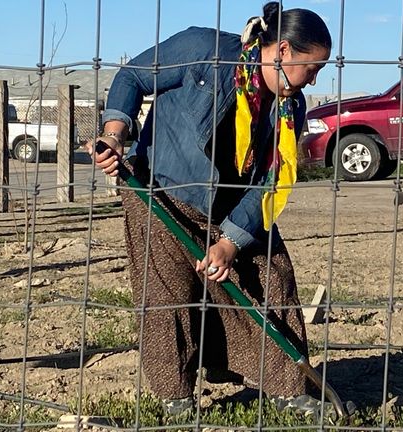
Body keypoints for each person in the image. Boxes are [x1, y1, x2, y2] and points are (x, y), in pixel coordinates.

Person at [88, 2, 332, 416]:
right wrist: (115, 135)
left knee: (272, 277)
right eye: (312, 68)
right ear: (284, 51)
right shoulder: (202, 48)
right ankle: (176, 397)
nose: (313, 79)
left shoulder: (291, 108)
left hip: (230, 208)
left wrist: (232, 241)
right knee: (167, 296)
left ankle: (287, 386)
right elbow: (132, 76)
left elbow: (273, 181)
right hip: (160, 191)